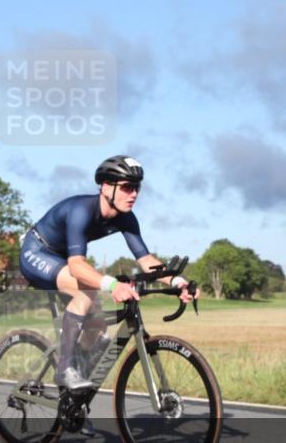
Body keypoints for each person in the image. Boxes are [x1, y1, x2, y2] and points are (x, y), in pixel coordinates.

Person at [19, 155, 198, 390]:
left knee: (97, 325)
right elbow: (76, 266)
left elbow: (146, 261)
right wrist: (113, 285)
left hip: (62, 259)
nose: (133, 194)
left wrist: (176, 280)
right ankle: (65, 369)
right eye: (126, 187)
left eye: (136, 188)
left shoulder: (127, 219)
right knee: (88, 291)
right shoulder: (81, 210)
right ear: (106, 187)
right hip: (37, 251)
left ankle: (73, 395)